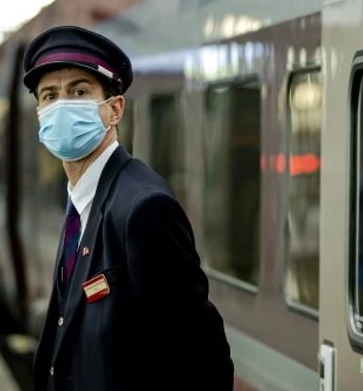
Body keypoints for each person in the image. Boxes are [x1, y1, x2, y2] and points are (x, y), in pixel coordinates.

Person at [25, 26, 233, 391]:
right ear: (39, 113)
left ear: (115, 109)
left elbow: (200, 356)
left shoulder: (143, 208)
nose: (61, 105)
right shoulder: (81, 199)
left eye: (79, 91)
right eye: (49, 95)